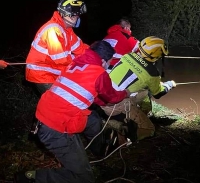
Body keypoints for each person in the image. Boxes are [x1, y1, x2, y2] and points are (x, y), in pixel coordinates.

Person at [14, 40, 130, 183]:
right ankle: (32, 178)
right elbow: (112, 96)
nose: (108, 66)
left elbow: (86, 92)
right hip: (56, 128)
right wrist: (126, 93)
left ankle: (99, 149)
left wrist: (101, 102)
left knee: (92, 119)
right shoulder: (99, 72)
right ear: (102, 60)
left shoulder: (75, 64)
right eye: (109, 63)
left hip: (46, 117)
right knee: (84, 178)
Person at [100, 36, 177, 141]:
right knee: (149, 129)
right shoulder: (152, 73)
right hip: (114, 105)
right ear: (156, 56)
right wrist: (169, 84)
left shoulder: (128, 56)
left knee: (144, 92)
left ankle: (138, 115)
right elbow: (158, 93)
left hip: (100, 95)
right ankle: (122, 134)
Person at [25, 0, 89, 96]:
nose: (78, 18)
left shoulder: (67, 30)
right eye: (77, 15)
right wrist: (81, 61)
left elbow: (80, 48)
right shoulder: (53, 30)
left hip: (52, 72)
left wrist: (95, 54)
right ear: (70, 15)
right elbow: (61, 59)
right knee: (59, 101)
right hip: (41, 74)